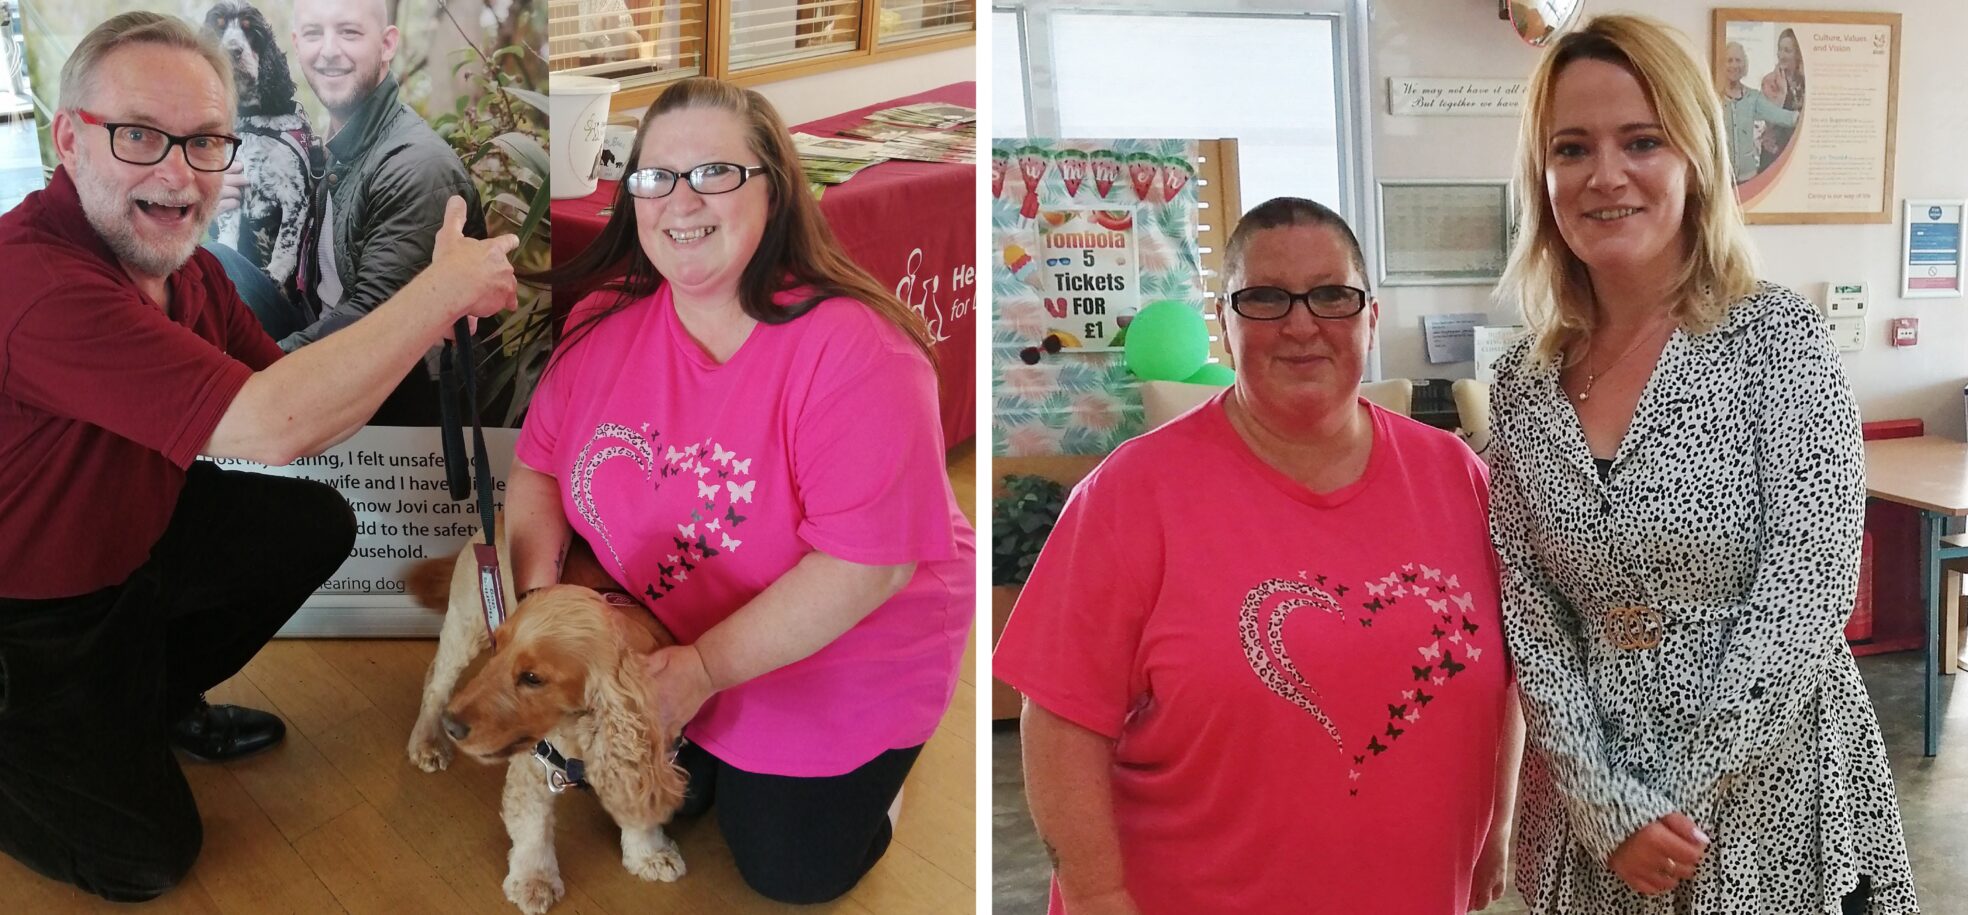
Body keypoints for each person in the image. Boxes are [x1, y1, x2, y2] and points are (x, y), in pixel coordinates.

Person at [0, 12, 515, 902]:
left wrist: (435, 309)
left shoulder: (187, 270)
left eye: (203, 141)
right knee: (146, 858)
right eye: (139, 135)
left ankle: (151, 699)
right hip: (32, 613)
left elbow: (302, 399)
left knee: (309, 522)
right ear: (70, 137)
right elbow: (279, 421)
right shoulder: (35, 283)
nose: (176, 171)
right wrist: (435, 298)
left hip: (137, 545)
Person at [1489, 14, 1914, 913]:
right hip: (1589, 812)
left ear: (1694, 156)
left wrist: (1675, 798)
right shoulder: (1521, 385)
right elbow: (1529, 608)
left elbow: (1809, 584)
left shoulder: (1778, 341)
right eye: (1572, 148)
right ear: (1543, 176)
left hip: (1771, 797)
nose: (1606, 175)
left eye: (1641, 140)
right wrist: (1609, 807)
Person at [994, 197, 1523, 914]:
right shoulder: (1131, 495)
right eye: (1266, 297)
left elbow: (1512, 674)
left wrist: (1496, 826)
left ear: (1371, 316)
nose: (1302, 323)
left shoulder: (1458, 477)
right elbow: (1060, 718)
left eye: (1332, 295)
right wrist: (1095, 893)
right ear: (1224, 322)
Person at [519, 77, 973, 904]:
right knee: (611, 779)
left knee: (792, 872)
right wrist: (536, 602)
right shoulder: (599, 323)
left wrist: (697, 671)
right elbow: (540, 468)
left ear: (775, 189)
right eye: (656, 178)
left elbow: (865, 570)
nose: (679, 201)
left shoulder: (858, 352)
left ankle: (890, 764)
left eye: (715, 174)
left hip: (844, 635)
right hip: (671, 620)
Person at [217, 0, 487, 425]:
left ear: (387, 44)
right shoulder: (324, 149)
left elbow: (373, 324)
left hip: (388, 402)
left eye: (349, 32)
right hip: (321, 347)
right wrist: (220, 210)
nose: (328, 51)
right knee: (214, 262)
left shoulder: (416, 167)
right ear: (295, 44)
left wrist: (237, 381)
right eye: (313, 34)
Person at [1717, 40, 1794, 184]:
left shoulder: (1753, 97)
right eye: (1729, 60)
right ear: (1722, 64)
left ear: (1744, 65)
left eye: (1738, 60)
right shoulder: (1714, 98)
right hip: (1722, 178)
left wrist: (1804, 117)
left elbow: (1779, 115)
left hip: (1748, 177)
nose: (1734, 65)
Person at [1756, 27, 1805, 174]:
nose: (1781, 55)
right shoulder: (1770, 81)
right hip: (1774, 151)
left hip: (1797, 151)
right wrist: (1783, 92)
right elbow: (1770, 120)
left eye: (1787, 51)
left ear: (1797, 54)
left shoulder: (1804, 83)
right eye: (1780, 50)